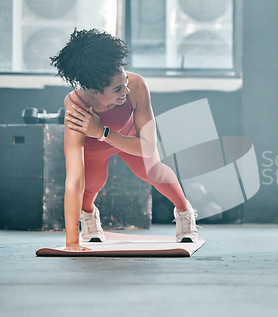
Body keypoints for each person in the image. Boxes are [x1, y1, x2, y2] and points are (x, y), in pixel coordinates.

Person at [50, 29, 198, 251]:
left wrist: (103, 133)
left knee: (153, 171)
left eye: (126, 81)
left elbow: (148, 148)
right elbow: (74, 179)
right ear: (94, 91)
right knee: (91, 184)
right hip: (94, 146)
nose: (126, 90)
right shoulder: (76, 107)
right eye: (118, 88)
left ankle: (185, 211)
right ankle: (89, 216)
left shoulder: (137, 86)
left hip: (129, 137)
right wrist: (71, 241)